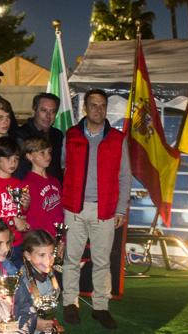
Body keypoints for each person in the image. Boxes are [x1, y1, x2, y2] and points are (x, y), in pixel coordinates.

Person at [61, 89, 131, 329]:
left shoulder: (117, 139)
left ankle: (101, 307)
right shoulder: (70, 136)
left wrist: (120, 209)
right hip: (74, 209)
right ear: (85, 108)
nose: (98, 110)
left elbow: (124, 176)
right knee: (71, 259)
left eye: (102, 105)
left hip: (105, 211)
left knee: (102, 261)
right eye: (93, 105)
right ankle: (70, 303)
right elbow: (63, 166)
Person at [0, 137, 30, 269]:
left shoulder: (18, 184)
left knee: (19, 281)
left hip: (18, 241)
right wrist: (13, 221)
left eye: (16, 159)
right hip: (0, 244)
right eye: (8, 159)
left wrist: (25, 206)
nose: (13, 163)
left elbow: (20, 212)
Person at [20, 230, 63, 334]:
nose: (48, 260)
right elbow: (16, 313)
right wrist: (34, 323)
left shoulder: (48, 272)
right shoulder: (22, 281)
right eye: (42, 255)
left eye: (51, 254)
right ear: (28, 255)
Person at [15, 93, 64, 182]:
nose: (48, 116)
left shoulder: (58, 135)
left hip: (53, 191)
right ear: (34, 110)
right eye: (44, 110)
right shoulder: (19, 135)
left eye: (52, 111)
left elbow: (57, 168)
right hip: (28, 190)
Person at [21, 136, 63, 238]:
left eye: (49, 152)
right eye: (42, 153)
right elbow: (24, 213)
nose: (47, 156)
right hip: (40, 239)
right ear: (30, 156)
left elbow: (60, 211)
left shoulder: (55, 181)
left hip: (58, 235)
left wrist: (61, 237)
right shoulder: (27, 183)